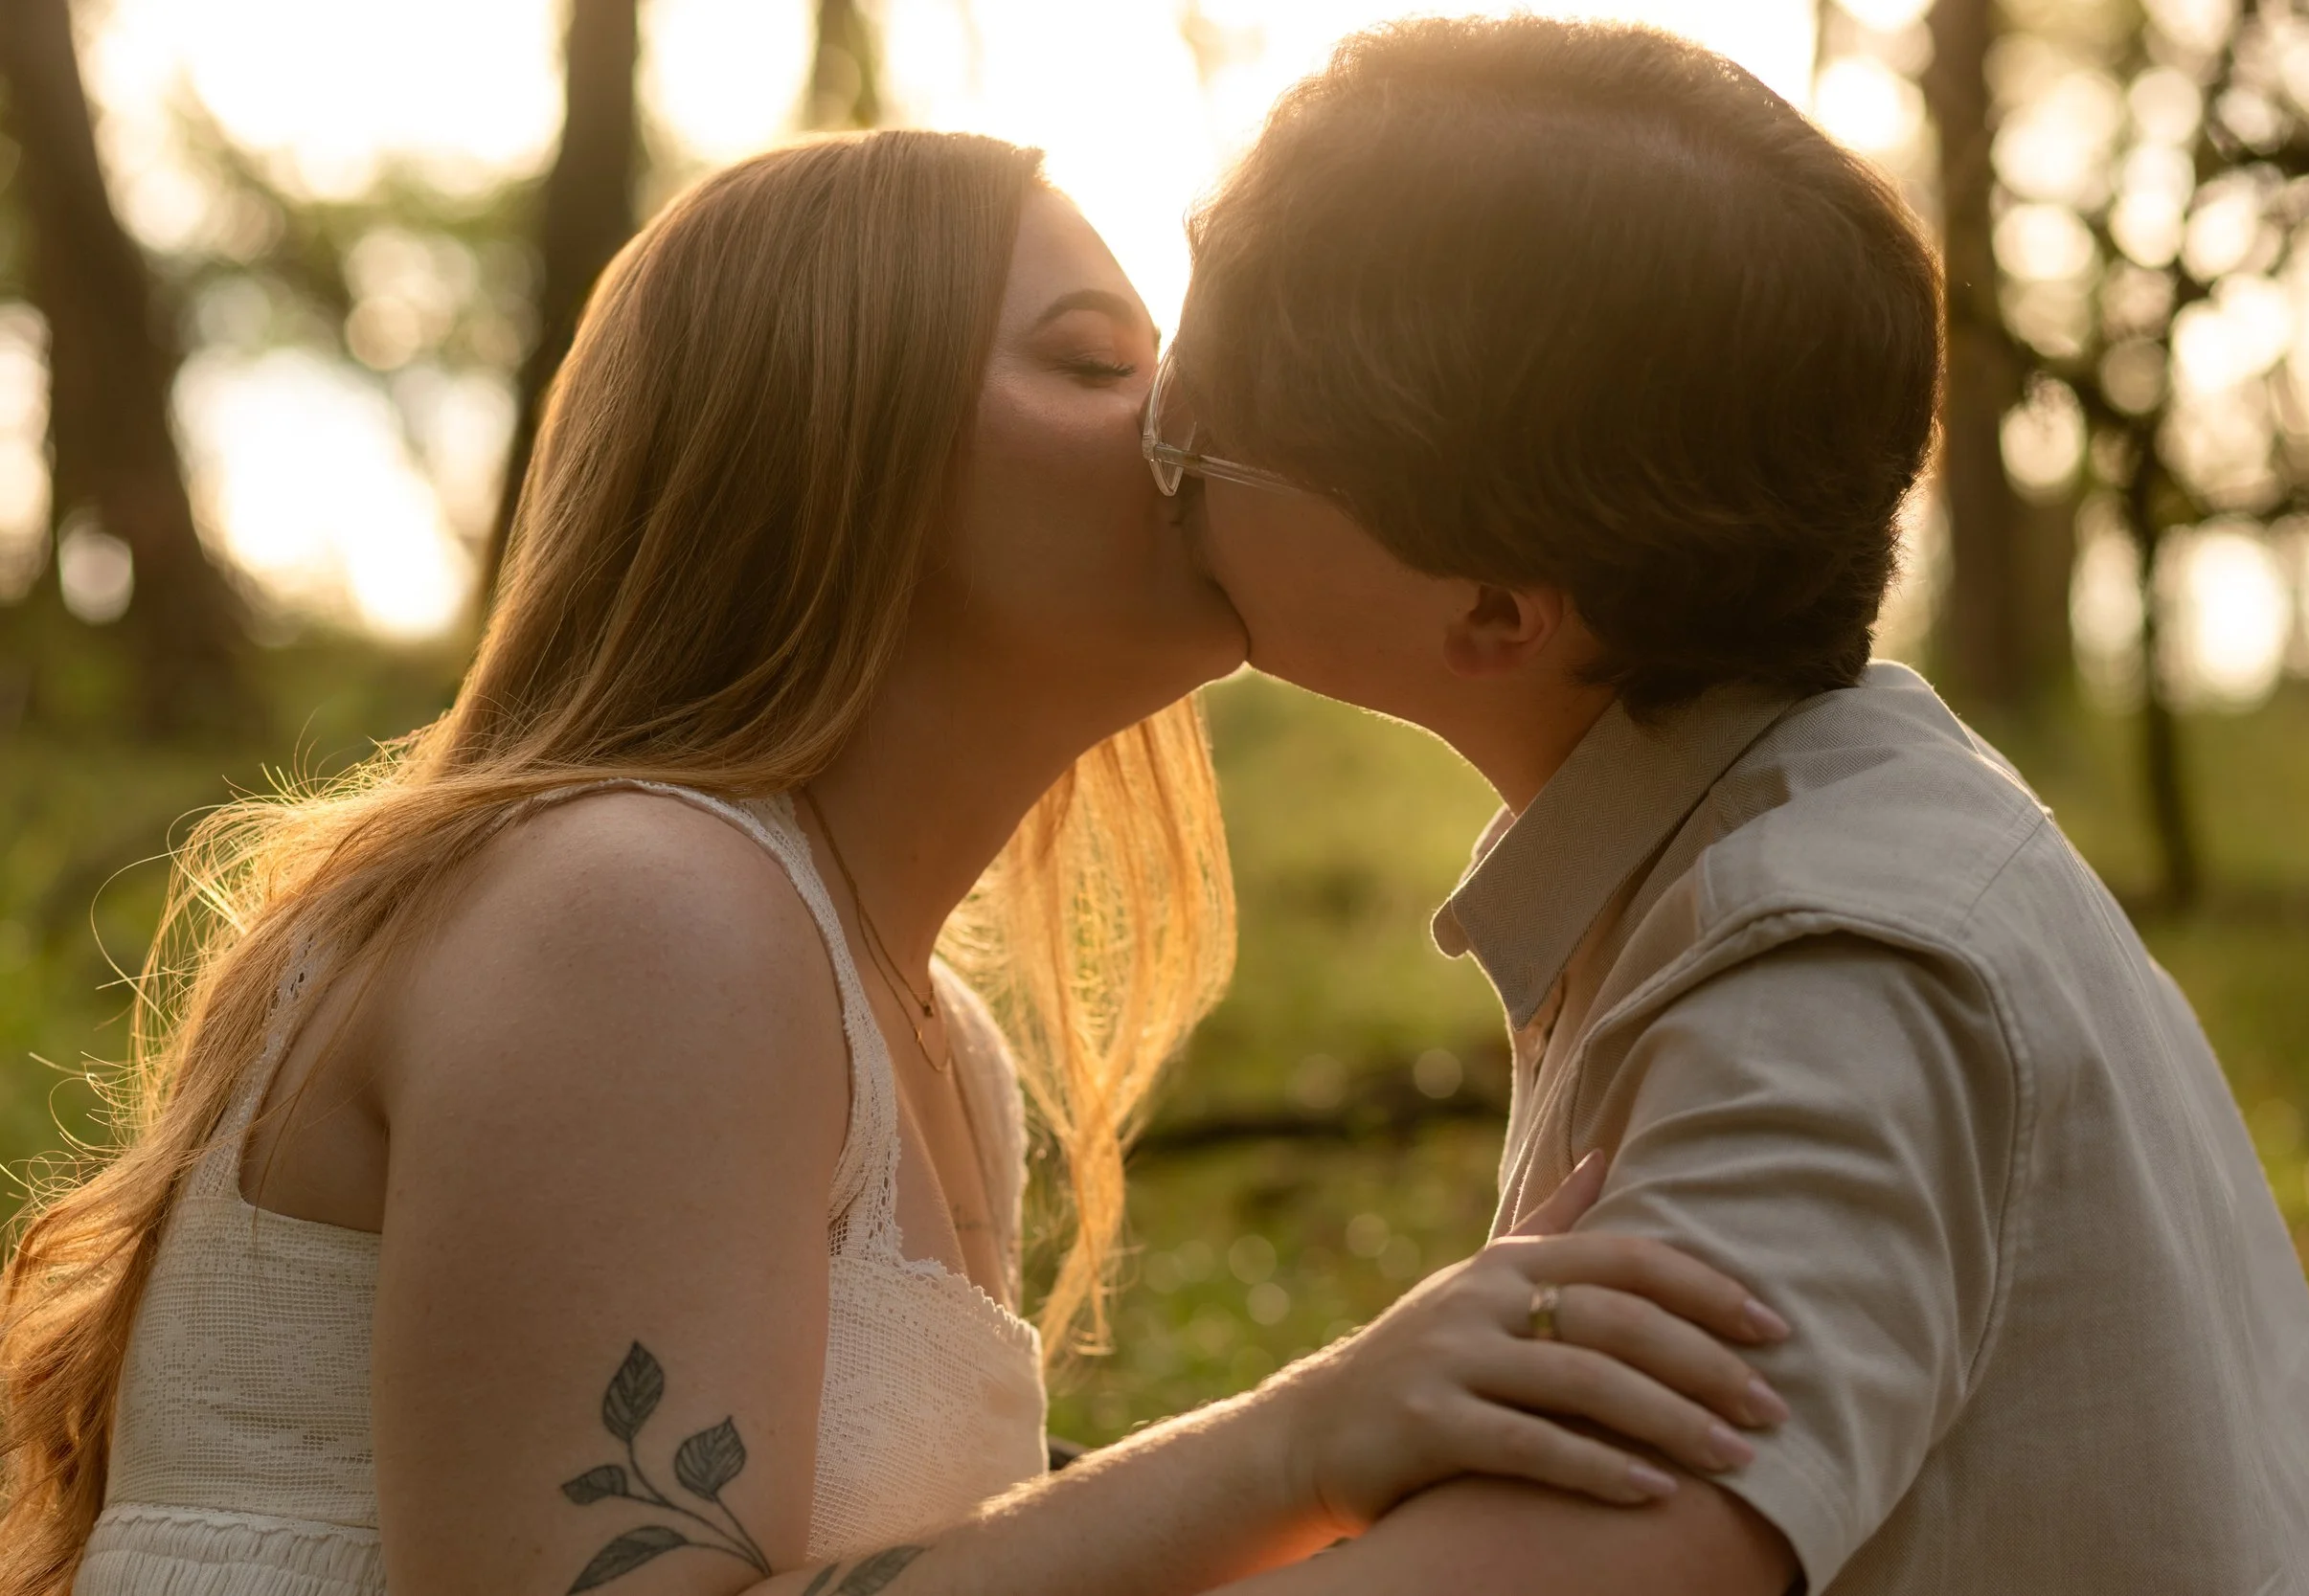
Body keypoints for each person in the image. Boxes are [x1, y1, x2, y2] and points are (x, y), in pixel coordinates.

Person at [0, 131, 1799, 1596]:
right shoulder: (639, 907)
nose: (1194, 420)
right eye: (1096, 362)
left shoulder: (938, 1044)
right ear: (827, 448)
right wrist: (1299, 1439)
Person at [1148, 15, 2309, 1595]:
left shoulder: (1830, 982)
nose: (1153, 471)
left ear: (1492, 612)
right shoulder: (1814, 829)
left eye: (1197, 444)